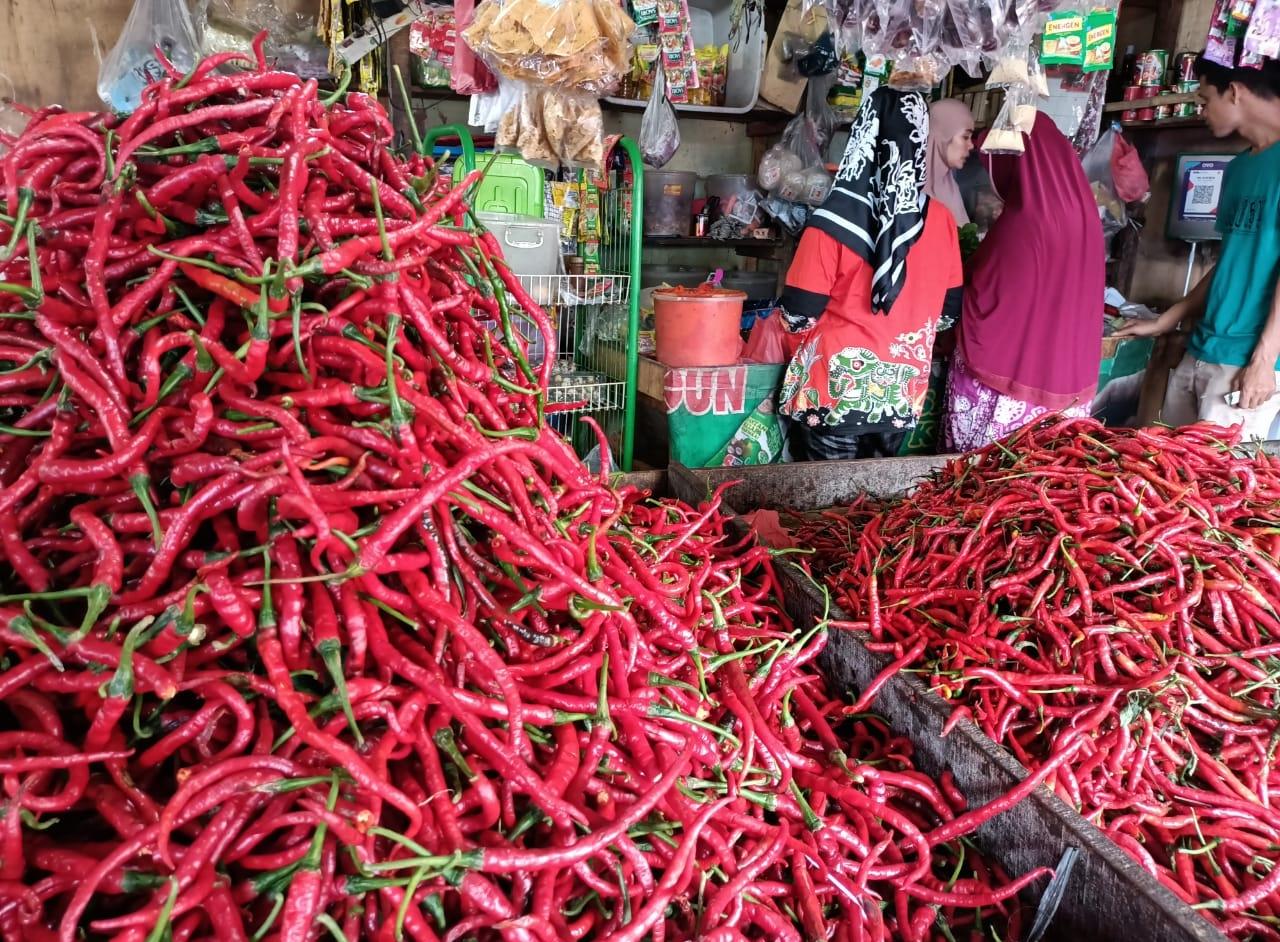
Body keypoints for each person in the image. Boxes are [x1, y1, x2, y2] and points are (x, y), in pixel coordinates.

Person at [777, 87, 964, 462]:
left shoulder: (832, 222)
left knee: (824, 510)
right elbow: (945, 315)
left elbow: (796, 316)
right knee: (874, 507)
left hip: (832, 396)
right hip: (899, 398)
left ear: (862, 139)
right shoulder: (942, 220)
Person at [1114, 57, 1280, 439]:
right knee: (1166, 468)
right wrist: (1168, 318)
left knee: (1214, 488)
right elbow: (1230, 262)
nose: (1202, 110)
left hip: (1245, 363)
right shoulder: (1239, 167)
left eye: (1205, 99)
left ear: (1235, 91)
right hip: (1204, 346)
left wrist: (1265, 359)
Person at [943, 112, 1105, 452]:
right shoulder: (1083, 212)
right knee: (1037, 491)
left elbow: (986, 294)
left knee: (978, 485)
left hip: (1008, 388)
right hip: (1065, 385)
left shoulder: (1022, 223)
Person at [925, 98, 977, 226]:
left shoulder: (949, 186)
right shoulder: (908, 193)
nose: (971, 145)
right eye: (965, 137)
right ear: (943, 135)